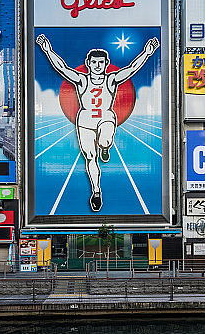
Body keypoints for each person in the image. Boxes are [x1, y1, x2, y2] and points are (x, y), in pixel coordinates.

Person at [36, 34, 159, 212]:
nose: (97, 65)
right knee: (90, 157)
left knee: (104, 141)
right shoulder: (82, 80)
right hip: (85, 121)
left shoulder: (111, 79)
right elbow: (62, 68)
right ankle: (96, 191)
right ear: (88, 63)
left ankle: (105, 147)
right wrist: (48, 50)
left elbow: (131, 69)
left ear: (106, 64)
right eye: (94, 62)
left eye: (101, 62)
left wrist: (147, 53)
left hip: (106, 118)